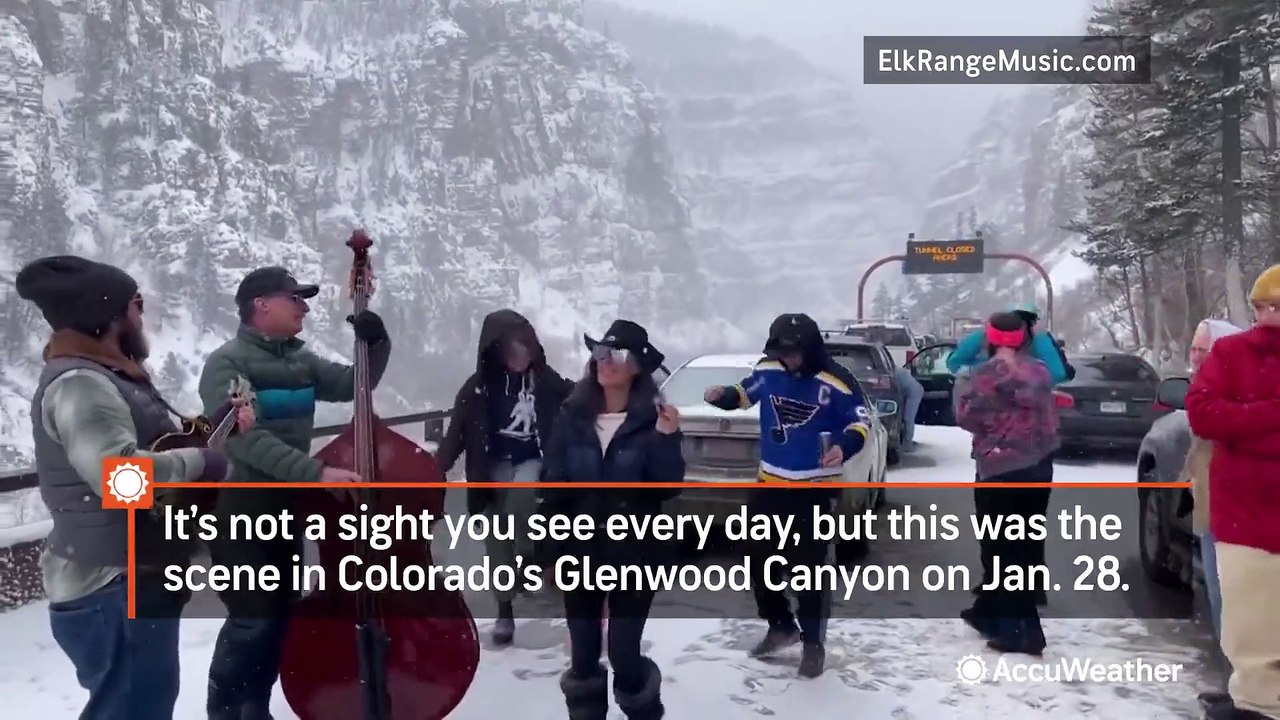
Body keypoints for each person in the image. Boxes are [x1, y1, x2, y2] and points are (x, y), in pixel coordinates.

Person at [15, 255, 253, 720]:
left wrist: (217, 432)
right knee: (133, 709)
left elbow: (152, 445)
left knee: (141, 704)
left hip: (128, 577)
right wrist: (201, 461)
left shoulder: (107, 375)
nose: (142, 315)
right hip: (109, 586)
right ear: (110, 315)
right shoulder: (82, 384)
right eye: (136, 304)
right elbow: (117, 482)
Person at [199, 266, 391, 720]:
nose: (304, 307)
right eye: (295, 298)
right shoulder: (228, 364)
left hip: (286, 510)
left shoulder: (300, 361)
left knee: (280, 615)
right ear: (261, 304)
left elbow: (353, 384)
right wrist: (315, 472)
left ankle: (255, 709)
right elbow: (245, 437)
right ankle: (225, 711)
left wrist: (376, 342)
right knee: (252, 619)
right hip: (241, 511)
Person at [703, 312, 870, 678]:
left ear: (810, 350)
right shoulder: (770, 368)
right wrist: (722, 396)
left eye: (793, 354)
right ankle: (780, 626)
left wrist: (844, 446)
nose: (787, 360)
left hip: (814, 490)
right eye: (781, 353)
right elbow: (746, 394)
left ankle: (813, 644)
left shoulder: (838, 381)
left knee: (808, 573)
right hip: (769, 483)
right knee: (757, 562)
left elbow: (861, 422)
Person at [539, 319, 683, 720]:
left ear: (638, 367)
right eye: (600, 353)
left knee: (623, 653)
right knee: (583, 657)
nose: (606, 362)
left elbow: (668, 486)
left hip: (635, 551)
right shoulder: (572, 415)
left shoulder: (654, 420)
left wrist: (668, 438)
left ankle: (644, 711)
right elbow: (553, 487)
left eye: (617, 354)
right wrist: (548, 552)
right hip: (579, 549)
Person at [436, 308, 574, 645]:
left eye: (525, 347)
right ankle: (505, 612)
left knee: (523, 497)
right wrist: (431, 470)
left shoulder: (544, 380)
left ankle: (528, 560)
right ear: (495, 351)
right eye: (512, 349)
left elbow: (577, 396)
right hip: (491, 469)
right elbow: (454, 437)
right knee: (497, 543)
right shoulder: (476, 390)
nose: (520, 356)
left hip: (532, 459)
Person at [1185, 264, 1280, 720]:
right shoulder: (1232, 352)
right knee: (1249, 638)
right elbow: (1204, 415)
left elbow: (1220, 419)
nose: (1273, 315)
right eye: (1269, 306)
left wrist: (1247, 425)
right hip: (1245, 519)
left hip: (1246, 511)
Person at [955, 311, 1056, 656]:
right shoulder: (1040, 371)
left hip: (1000, 468)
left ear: (992, 337)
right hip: (1039, 466)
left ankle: (1021, 631)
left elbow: (967, 417)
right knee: (1024, 543)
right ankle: (989, 612)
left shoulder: (986, 375)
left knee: (1002, 549)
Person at [1180, 318, 1244, 713]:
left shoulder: (1235, 390)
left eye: (1206, 347)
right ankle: (1238, 685)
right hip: (1212, 509)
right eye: (1194, 346)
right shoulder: (1208, 387)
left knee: (1238, 602)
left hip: (1236, 512)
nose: (1197, 354)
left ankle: (1250, 693)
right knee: (1221, 601)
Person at [946, 303, 1070, 384]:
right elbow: (1058, 374)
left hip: (986, 401)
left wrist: (980, 375)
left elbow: (954, 365)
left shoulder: (979, 338)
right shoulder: (1041, 340)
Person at [893, 364, 924, 452]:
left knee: (908, 418)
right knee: (905, 417)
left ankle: (907, 444)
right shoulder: (897, 370)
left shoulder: (894, 374)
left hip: (914, 393)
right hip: (912, 390)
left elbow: (897, 393)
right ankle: (905, 441)